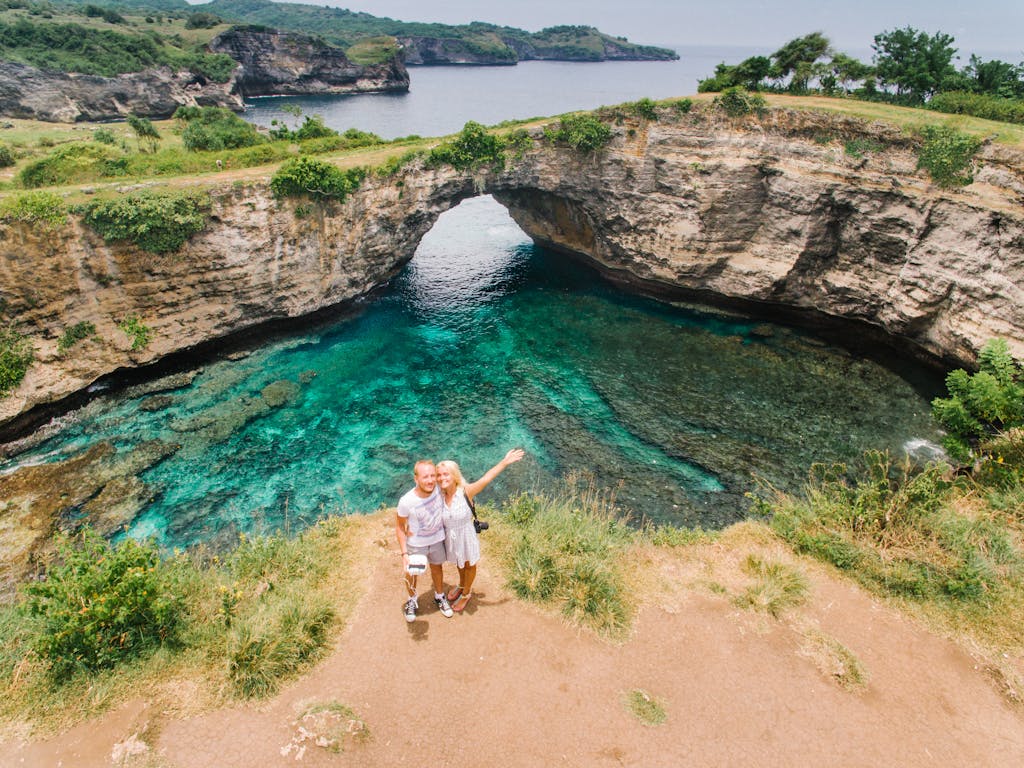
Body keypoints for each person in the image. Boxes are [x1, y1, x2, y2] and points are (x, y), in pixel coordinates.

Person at [436, 448, 525, 613]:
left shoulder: (466, 491)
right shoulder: (439, 496)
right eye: (439, 475)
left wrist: (504, 462)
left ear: (454, 475)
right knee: (459, 563)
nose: (442, 478)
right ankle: (461, 585)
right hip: (452, 538)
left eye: (446, 474)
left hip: (465, 535)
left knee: (469, 564)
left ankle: (466, 594)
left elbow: (487, 478)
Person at [396, 459, 453, 622]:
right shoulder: (406, 501)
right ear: (416, 479)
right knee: (412, 573)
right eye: (425, 477)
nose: (430, 480)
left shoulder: (438, 489)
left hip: (437, 540)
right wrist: (404, 553)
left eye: (433, 476)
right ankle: (412, 599)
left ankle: (439, 596)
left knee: (437, 568)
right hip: (415, 545)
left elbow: (456, 485)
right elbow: (399, 527)